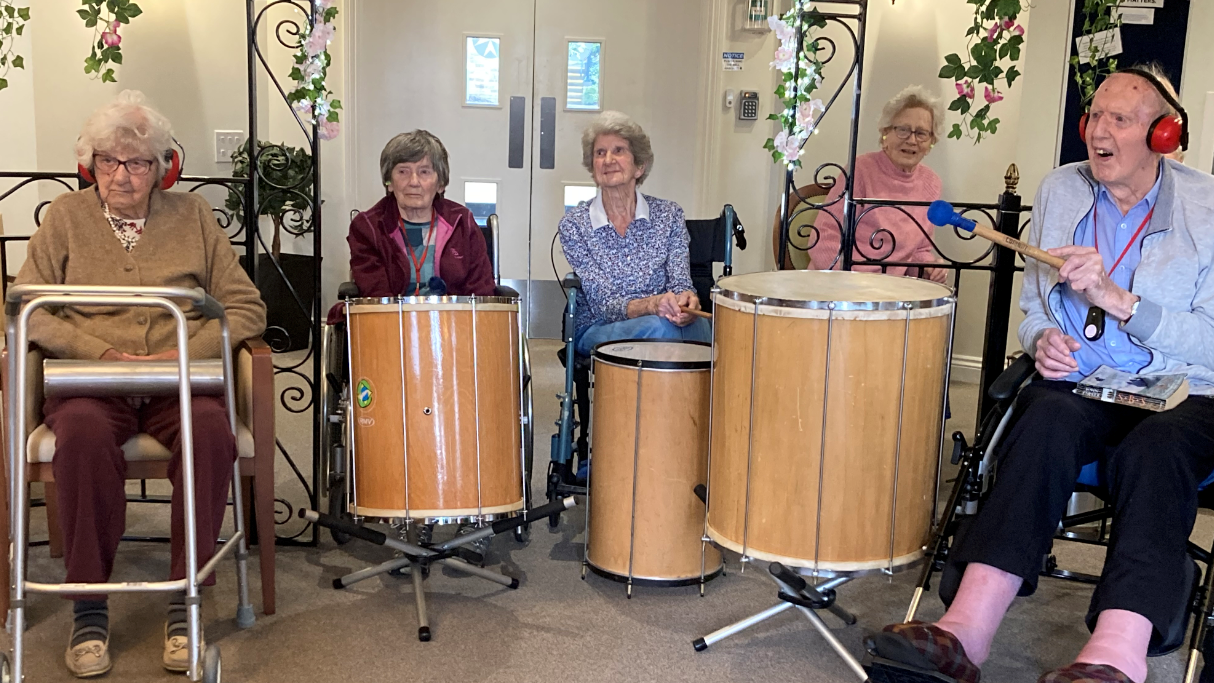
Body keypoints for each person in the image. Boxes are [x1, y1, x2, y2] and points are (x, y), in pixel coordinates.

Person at [867, 67, 1214, 683]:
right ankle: (963, 632)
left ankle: (1115, 657)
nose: (1098, 132)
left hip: (1184, 391)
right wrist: (1043, 341)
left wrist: (1119, 299)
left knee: (1157, 450)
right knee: (1043, 414)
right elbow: (1034, 309)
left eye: (1120, 120)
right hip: (1088, 381)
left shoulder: (1207, 207)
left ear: (1163, 135)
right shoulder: (1062, 190)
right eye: (1094, 116)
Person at [13, 90, 267, 677]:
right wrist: (97, 348)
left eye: (137, 163)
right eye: (108, 160)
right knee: (78, 437)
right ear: (90, 164)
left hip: (179, 378)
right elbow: (27, 305)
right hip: (90, 381)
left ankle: (187, 597)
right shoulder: (65, 216)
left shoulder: (195, 217)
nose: (121, 175)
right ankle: (88, 606)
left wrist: (178, 350)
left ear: (161, 169)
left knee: (211, 433)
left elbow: (245, 308)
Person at [559, 111, 709, 357]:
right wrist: (652, 305)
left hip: (664, 320)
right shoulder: (575, 224)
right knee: (661, 331)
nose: (608, 159)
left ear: (640, 166)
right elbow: (603, 303)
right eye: (600, 152)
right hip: (599, 325)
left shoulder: (669, 215)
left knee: (702, 327)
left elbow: (680, 281)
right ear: (592, 165)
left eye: (618, 150)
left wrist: (685, 302)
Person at [808, 85, 946, 282]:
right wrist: (854, 284)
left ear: (931, 141)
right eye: (903, 130)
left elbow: (919, 250)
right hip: (840, 285)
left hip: (889, 292)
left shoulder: (931, 183)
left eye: (922, 133)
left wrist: (929, 269)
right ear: (885, 134)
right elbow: (823, 237)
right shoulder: (859, 170)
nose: (912, 140)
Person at [347, 129, 496, 299]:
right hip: (392, 321)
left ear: (440, 184)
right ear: (389, 182)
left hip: (453, 321)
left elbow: (480, 291)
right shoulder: (368, 227)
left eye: (424, 172)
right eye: (403, 172)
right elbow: (376, 294)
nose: (414, 182)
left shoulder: (462, 221)